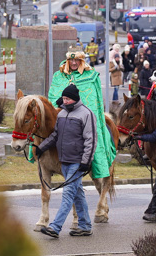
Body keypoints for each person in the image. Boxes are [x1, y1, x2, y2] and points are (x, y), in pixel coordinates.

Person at [49, 46, 117, 179]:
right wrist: (59, 103)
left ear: (82, 61)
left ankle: (97, 163)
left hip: (84, 115)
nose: (74, 63)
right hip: (63, 115)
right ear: (67, 60)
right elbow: (52, 97)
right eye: (71, 60)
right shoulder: (58, 76)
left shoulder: (91, 76)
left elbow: (93, 100)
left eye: (77, 60)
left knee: (94, 129)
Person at [38, 84, 97, 237]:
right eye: (63, 98)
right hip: (65, 160)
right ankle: (85, 226)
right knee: (78, 194)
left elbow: (91, 140)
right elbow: (55, 135)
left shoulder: (86, 114)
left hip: (78, 162)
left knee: (68, 194)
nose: (65, 101)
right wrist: (41, 147)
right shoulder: (62, 114)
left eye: (67, 99)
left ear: (75, 99)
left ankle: (55, 227)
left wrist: (86, 162)